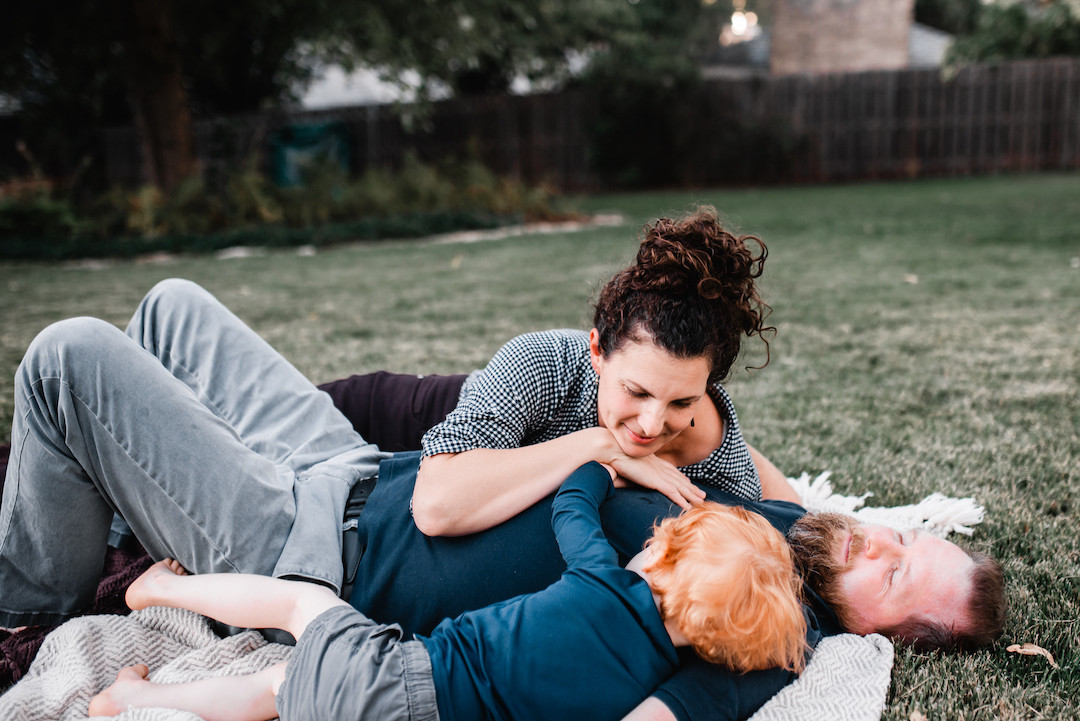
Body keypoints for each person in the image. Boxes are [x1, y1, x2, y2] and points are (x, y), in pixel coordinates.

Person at [0, 264, 1004, 719]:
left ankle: (25, 606)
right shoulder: (774, 513)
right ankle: (121, 503)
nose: (879, 545)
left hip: (304, 550)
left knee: (67, 357)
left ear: (877, 633)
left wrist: (597, 458)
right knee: (169, 308)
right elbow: (756, 453)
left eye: (896, 575)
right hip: (353, 465)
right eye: (900, 538)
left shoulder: (761, 638)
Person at [86, 468, 808, 721]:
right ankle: (122, 702)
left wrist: (594, 467)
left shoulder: (603, 580)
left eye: (662, 536)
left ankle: (153, 590)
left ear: (661, 552)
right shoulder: (648, 682)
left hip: (402, 675)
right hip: (416, 712)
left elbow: (571, 513)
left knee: (298, 606)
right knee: (279, 688)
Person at [412, 205, 801, 539]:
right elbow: (434, 506)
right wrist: (599, 447)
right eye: (636, 391)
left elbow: (789, 519)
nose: (651, 426)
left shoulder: (719, 465)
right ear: (597, 351)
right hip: (429, 408)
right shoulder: (542, 364)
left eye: (682, 401)